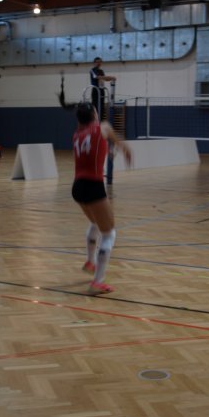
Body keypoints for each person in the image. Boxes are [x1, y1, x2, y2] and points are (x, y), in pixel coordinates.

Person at [71, 101, 132, 294]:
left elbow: (94, 149)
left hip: (77, 187)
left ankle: (90, 262)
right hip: (93, 186)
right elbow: (114, 138)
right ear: (94, 115)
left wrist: (109, 150)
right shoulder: (102, 127)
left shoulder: (77, 134)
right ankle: (97, 282)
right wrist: (126, 150)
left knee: (96, 223)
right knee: (109, 233)